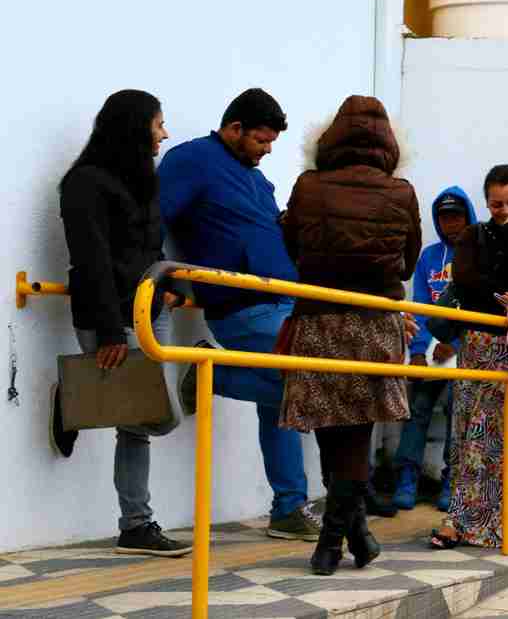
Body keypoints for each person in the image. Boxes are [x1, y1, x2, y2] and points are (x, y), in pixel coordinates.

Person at [158, 88, 319, 541]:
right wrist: (164, 279)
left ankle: (288, 509)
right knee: (292, 387)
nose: (267, 151)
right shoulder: (190, 160)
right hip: (241, 306)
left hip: (285, 299)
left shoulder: (256, 178)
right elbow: (155, 219)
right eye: (261, 141)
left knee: (282, 399)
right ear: (234, 129)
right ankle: (209, 371)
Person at [278, 95, 421, 574]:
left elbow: (291, 243)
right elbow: (410, 262)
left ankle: (339, 538)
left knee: (329, 432)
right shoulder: (401, 192)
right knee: (357, 437)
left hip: (317, 318)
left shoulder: (308, 185)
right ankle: (339, 539)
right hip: (373, 320)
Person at [58, 90, 191, 556]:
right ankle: (136, 524)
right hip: (114, 316)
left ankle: (80, 400)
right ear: (136, 127)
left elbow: (155, 249)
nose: (165, 133)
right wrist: (111, 331)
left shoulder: (142, 180)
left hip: (154, 309)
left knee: (146, 421)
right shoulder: (83, 184)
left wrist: (178, 287)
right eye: (159, 124)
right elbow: (90, 259)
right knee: (151, 418)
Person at [429, 165, 508, 550]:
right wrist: (505, 291)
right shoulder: (474, 235)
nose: (504, 211)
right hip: (477, 348)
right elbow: (467, 281)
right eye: (495, 204)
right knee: (470, 438)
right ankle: (461, 519)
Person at [392, 187, 477, 511]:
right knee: (418, 407)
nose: (450, 224)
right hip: (430, 348)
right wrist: (416, 349)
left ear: (467, 216)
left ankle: (452, 480)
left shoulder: (476, 250)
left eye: (456, 217)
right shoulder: (429, 256)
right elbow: (421, 306)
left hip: (462, 348)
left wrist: (453, 342)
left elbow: (477, 304)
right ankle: (407, 477)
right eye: (444, 218)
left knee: (458, 410)